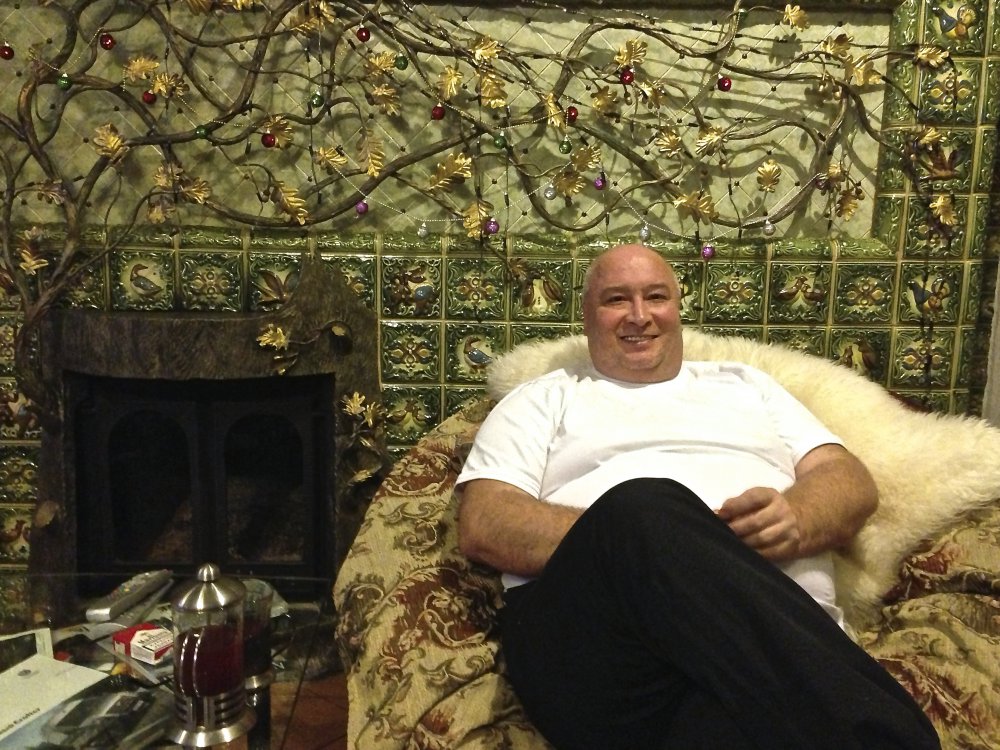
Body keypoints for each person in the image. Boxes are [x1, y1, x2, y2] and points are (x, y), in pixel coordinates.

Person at [455, 244, 940, 749]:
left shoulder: (747, 385)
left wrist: (797, 517)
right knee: (642, 511)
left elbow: (849, 480)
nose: (639, 315)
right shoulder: (541, 398)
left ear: (678, 308)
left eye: (656, 297)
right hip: (604, 660)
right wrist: (671, 541)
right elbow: (487, 522)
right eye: (616, 299)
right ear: (587, 317)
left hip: (758, 681)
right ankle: (890, 735)